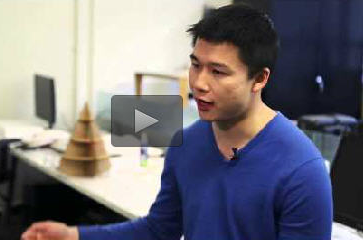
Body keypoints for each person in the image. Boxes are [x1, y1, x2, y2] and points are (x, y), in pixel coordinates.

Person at [21, 4, 332, 240]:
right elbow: (160, 229)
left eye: (218, 72)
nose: (199, 83)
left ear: (259, 79)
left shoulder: (301, 170)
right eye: (196, 66)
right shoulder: (188, 143)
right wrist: (75, 235)